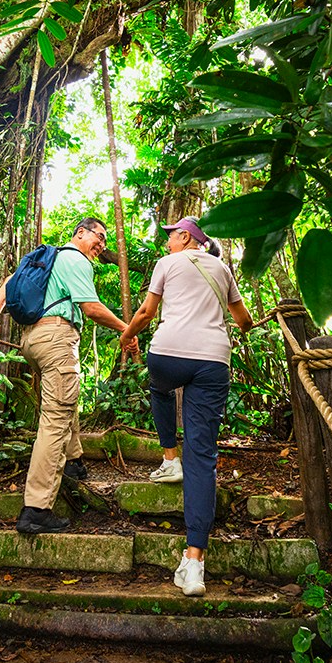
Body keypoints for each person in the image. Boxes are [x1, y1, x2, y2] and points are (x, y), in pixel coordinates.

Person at [119, 215, 253, 596]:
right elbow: (242, 320)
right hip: (213, 361)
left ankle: (168, 458)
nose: (166, 243)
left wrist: (126, 337)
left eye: (170, 236)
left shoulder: (167, 264)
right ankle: (194, 562)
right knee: (203, 456)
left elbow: (145, 314)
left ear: (185, 237)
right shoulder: (223, 269)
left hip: (168, 355)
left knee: (159, 389)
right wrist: (246, 325)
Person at [0, 217, 127, 535]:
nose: (101, 245)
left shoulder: (48, 260)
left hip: (32, 342)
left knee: (65, 397)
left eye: (104, 241)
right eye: (99, 237)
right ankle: (36, 508)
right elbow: (91, 308)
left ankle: (73, 461)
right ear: (80, 234)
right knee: (55, 419)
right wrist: (126, 329)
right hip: (57, 338)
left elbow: (9, 281)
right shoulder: (75, 259)